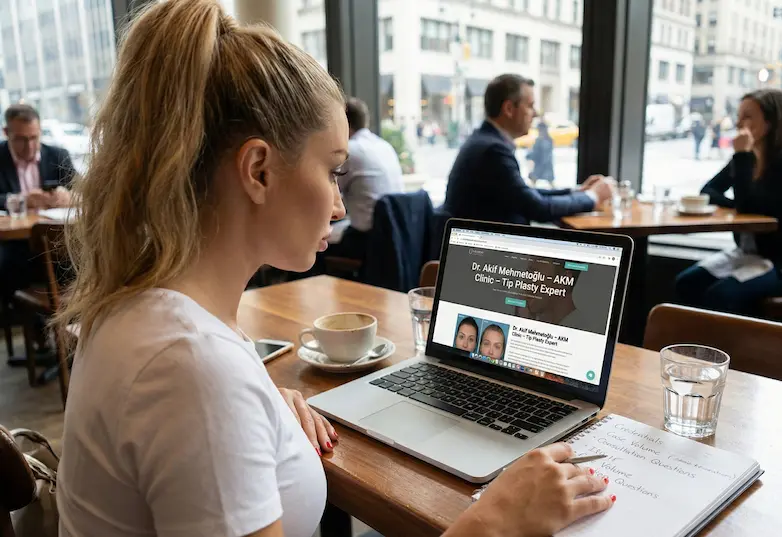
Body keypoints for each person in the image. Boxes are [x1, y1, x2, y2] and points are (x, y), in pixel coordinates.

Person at [55, 2, 613, 536]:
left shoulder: (145, 312)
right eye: (333, 170)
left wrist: (260, 410)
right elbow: (197, 388)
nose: (340, 204)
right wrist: (491, 523)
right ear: (258, 170)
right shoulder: (191, 368)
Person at [675, 88, 782, 315]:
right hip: (746, 254)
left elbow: (749, 207)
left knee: (721, 296)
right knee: (686, 283)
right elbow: (709, 191)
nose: (738, 122)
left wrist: (741, 156)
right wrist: (738, 206)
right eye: (739, 115)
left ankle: (725, 349)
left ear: (771, 122)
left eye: (748, 116)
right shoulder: (749, 158)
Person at [443, 74, 614, 225]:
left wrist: (577, 192)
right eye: (530, 106)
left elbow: (524, 194)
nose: (535, 114)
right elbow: (538, 208)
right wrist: (593, 197)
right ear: (509, 109)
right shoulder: (492, 151)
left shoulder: (485, 141)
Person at [0, 104, 76, 339]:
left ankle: (71, 335)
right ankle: (36, 327)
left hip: (56, 245)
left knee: (79, 260)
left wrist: (67, 196)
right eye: (21, 140)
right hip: (15, 247)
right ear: (6, 133)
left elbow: (82, 190)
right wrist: (21, 199)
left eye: (34, 137)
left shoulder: (57, 155)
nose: (30, 146)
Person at [326, 97, 403, 261]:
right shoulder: (384, 146)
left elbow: (329, 196)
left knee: (315, 243)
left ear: (343, 123)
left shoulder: (350, 151)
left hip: (365, 239)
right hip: (393, 237)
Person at [526, 120, 555, 187]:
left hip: (544, 164)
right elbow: (535, 152)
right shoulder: (540, 140)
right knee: (534, 181)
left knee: (549, 181)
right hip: (540, 164)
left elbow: (543, 153)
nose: (540, 131)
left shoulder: (547, 140)